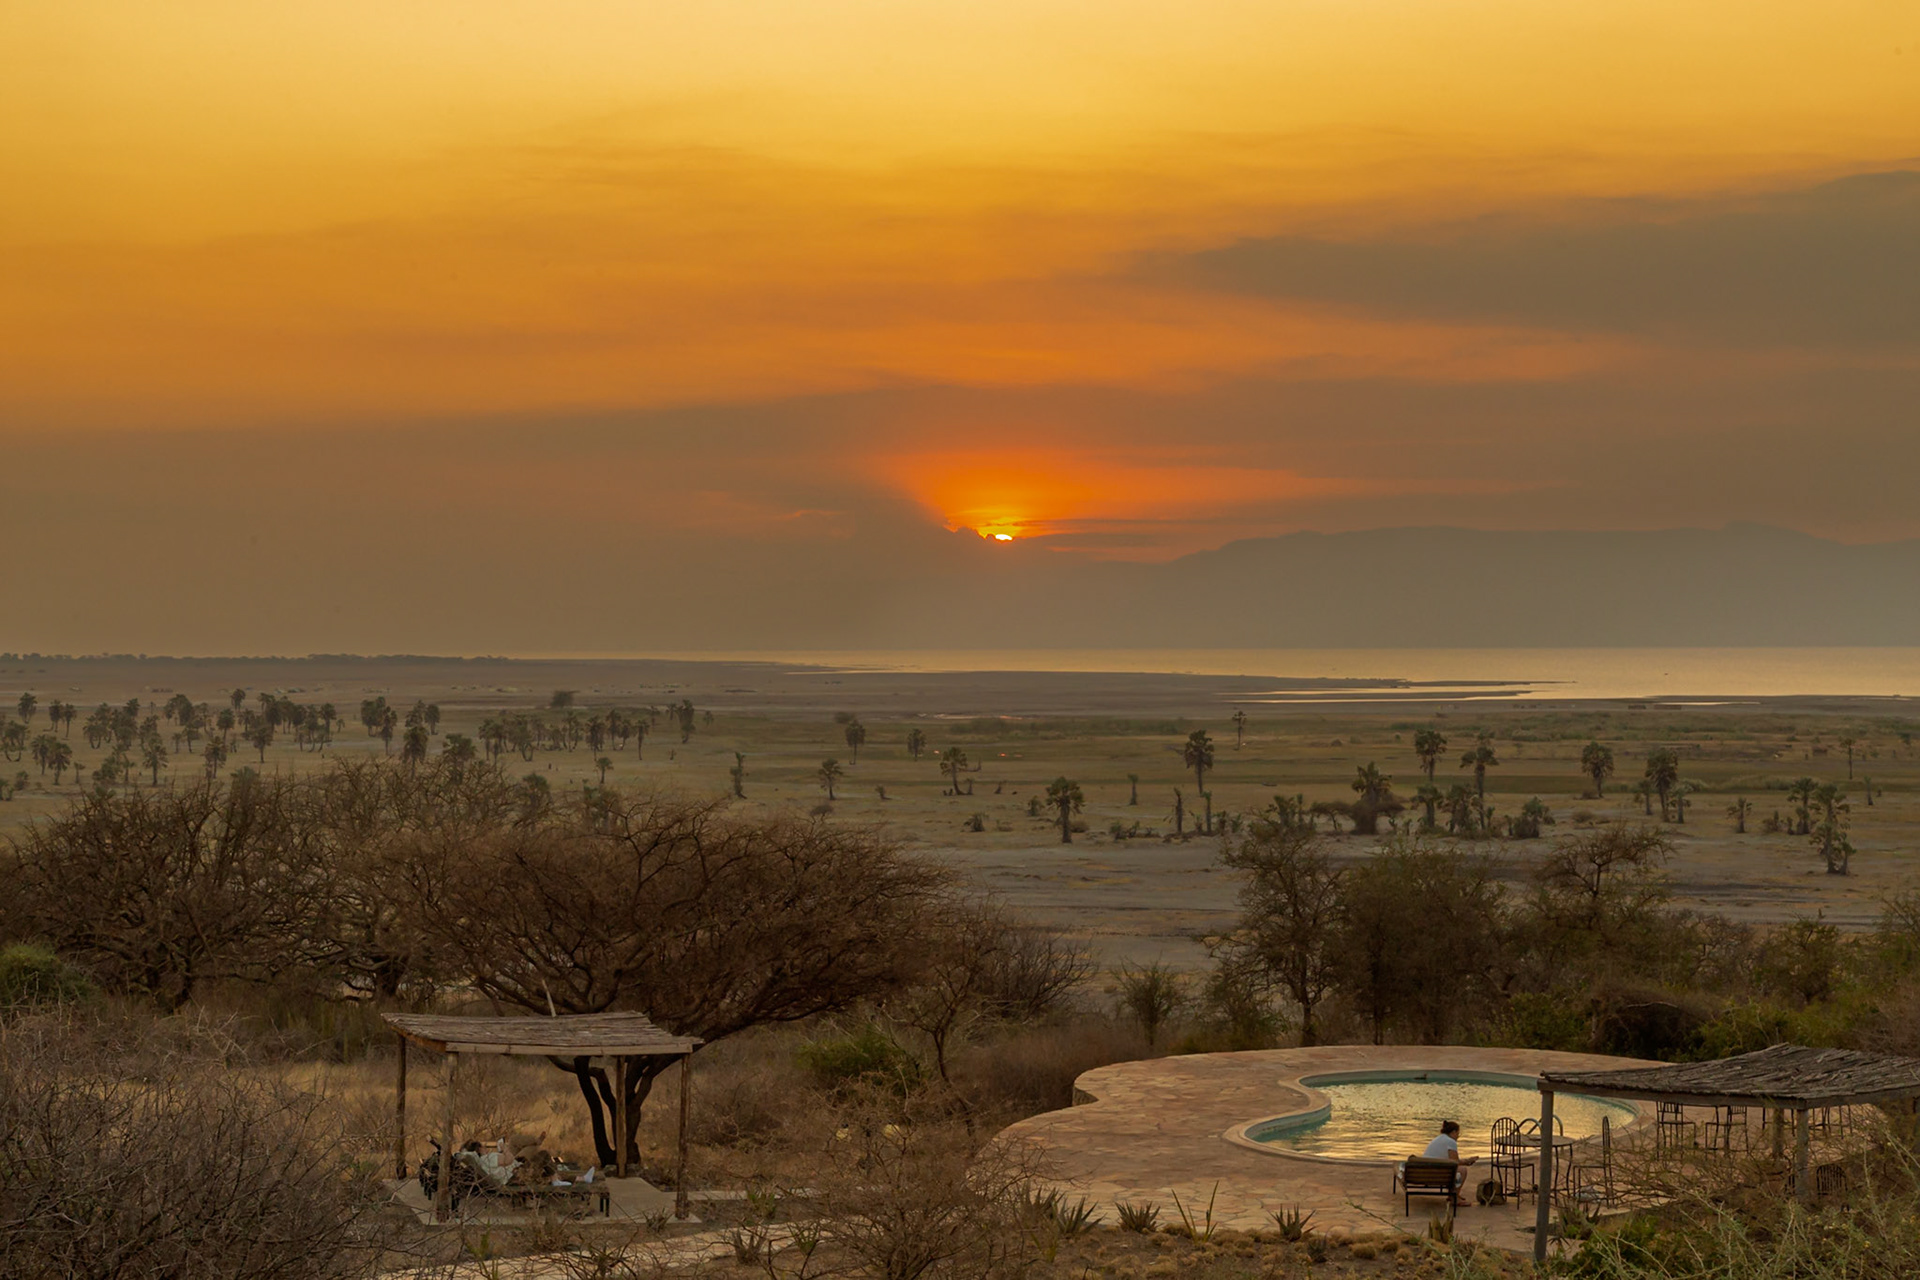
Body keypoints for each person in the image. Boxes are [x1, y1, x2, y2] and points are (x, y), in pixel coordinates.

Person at [1422, 1120, 1479, 1207]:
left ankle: (1453, 1194)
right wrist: (1467, 1161)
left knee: (1455, 1169)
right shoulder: (1450, 1142)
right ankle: (1454, 1198)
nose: (1458, 1137)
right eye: (1458, 1134)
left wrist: (1465, 1161)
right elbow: (1454, 1162)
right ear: (1453, 1132)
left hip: (1425, 1172)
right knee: (1462, 1171)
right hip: (1435, 1174)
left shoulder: (1439, 1138)